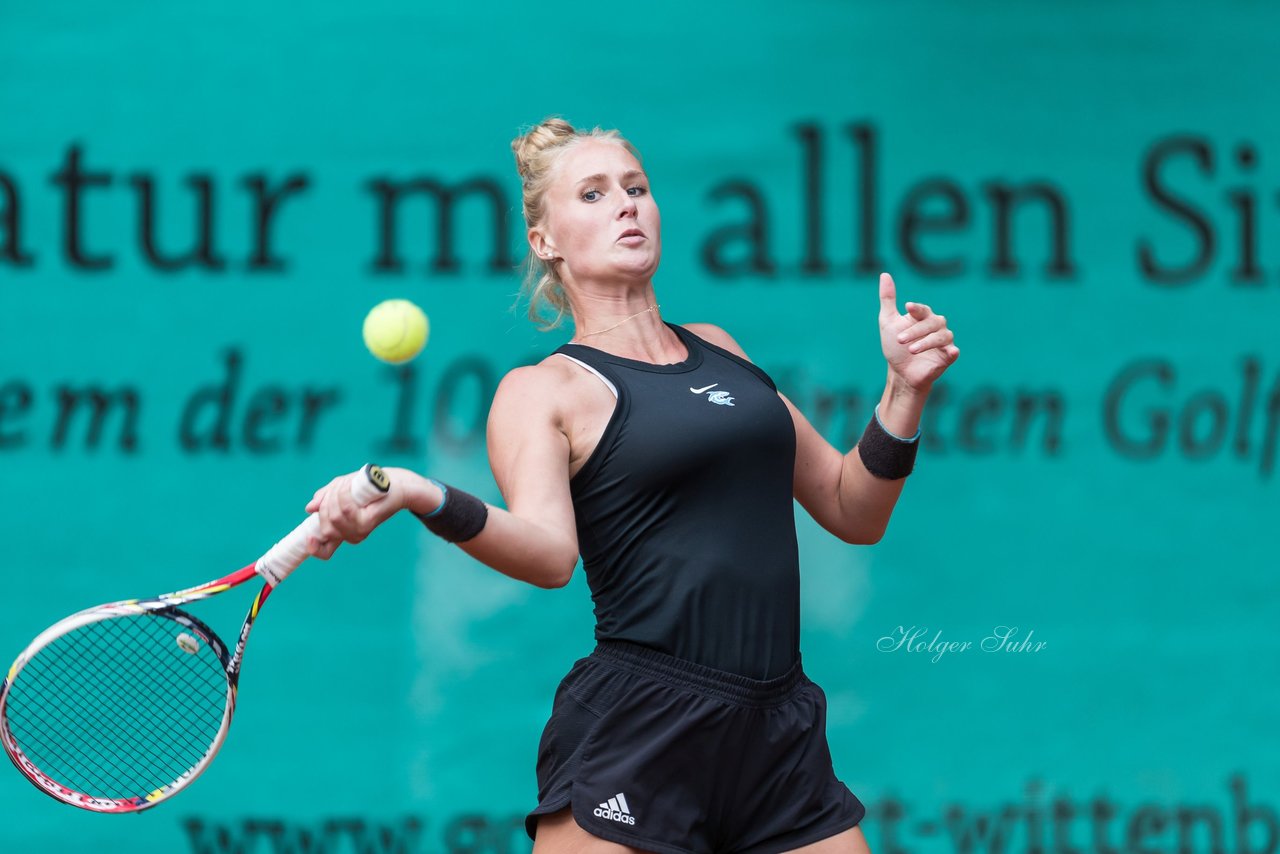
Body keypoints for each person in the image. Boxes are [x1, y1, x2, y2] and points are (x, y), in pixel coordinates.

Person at [304, 117, 959, 854]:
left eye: (637, 187)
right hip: (643, 727)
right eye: (593, 193)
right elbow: (551, 556)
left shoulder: (721, 348)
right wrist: (424, 495)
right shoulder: (543, 390)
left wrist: (903, 393)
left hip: (778, 730)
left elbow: (851, 507)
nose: (626, 204)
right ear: (545, 240)